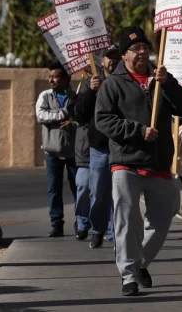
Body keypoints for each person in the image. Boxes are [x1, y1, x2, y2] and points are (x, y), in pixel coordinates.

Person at [95, 26, 182, 297]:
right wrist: (138, 132)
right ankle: (128, 275)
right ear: (124, 55)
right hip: (126, 163)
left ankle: (140, 264)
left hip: (159, 163)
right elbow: (103, 120)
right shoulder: (113, 84)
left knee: (163, 218)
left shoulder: (160, 79)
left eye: (144, 48)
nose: (142, 53)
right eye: (135, 49)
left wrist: (169, 82)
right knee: (127, 220)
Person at [74, 46, 122, 248]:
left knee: (120, 192)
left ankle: (115, 231)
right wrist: (89, 93)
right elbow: (79, 115)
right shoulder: (90, 82)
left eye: (116, 58)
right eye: (108, 58)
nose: (112, 61)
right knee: (98, 191)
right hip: (100, 147)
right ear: (101, 61)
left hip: (120, 145)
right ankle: (97, 229)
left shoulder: (125, 80)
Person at [36, 61, 79, 238]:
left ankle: (81, 223)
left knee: (78, 188)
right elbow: (41, 115)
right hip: (52, 152)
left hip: (72, 152)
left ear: (66, 78)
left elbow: (83, 120)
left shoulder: (76, 96)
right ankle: (56, 224)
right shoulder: (45, 96)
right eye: (50, 76)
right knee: (54, 189)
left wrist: (73, 124)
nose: (51, 80)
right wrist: (62, 114)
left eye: (55, 76)